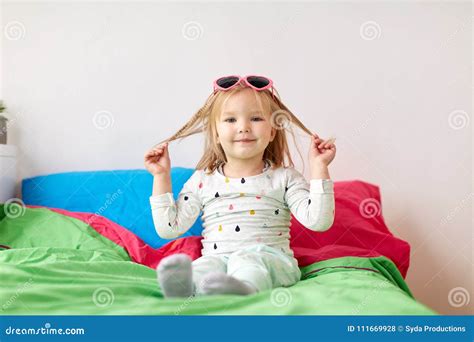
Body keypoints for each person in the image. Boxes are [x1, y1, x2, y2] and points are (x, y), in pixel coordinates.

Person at [144, 75, 336, 298]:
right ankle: (185, 290)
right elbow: (170, 228)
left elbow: (319, 221)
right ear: (215, 133)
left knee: (248, 260)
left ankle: (244, 290)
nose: (243, 127)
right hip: (218, 260)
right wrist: (160, 176)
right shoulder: (202, 180)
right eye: (231, 120)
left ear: (272, 131)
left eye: (255, 118)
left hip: (272, 261)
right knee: (204, 267)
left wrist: (319, 166)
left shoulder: (285, 178)